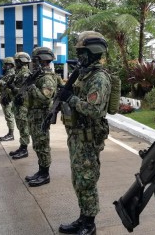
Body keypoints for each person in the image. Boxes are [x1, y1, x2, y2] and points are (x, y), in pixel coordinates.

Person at [58, 31, 111, 235]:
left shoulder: (98, 78)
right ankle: (83, 217)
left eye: (82, 52)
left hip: (89, 139)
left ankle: (90, 223)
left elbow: (94, 109)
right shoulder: (84, 75)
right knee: (78, 180)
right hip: (77, 137)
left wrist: (70, 98)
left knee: (87, 181)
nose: (79, 56)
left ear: (93, 52)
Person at [21, 47, 57, 187]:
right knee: (37, 144)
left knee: (42, 145)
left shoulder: (47, 78)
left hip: (41, 116)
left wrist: (32, 87)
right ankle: (41, 171)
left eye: (36, 60)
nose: (33, 63)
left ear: (42, 60)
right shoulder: (39, 76)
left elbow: (45, 98)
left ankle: (45, 174)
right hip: (34, 115)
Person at [8, 52, 32, 160]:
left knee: (24, 128)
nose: (15, 63)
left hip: (23, 105)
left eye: (17, 61)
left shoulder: (25, 74)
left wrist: (14, 88)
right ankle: (22, 146)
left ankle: (24, 149)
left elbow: (26, 91)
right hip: (18, 104)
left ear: (21, 62)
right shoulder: (19, 73)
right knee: (20, 127)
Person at [0, 57, 16, 142]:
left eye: (6, 64)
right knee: (7, 116)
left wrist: (0, 81)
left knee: (9, 116)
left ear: (11, 65)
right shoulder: (7, 73)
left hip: (8, 98)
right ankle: (9, 133)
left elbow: (9, 86)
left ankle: (11, 134)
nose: (4, 66)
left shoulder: (12, 74)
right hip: (5, 96)